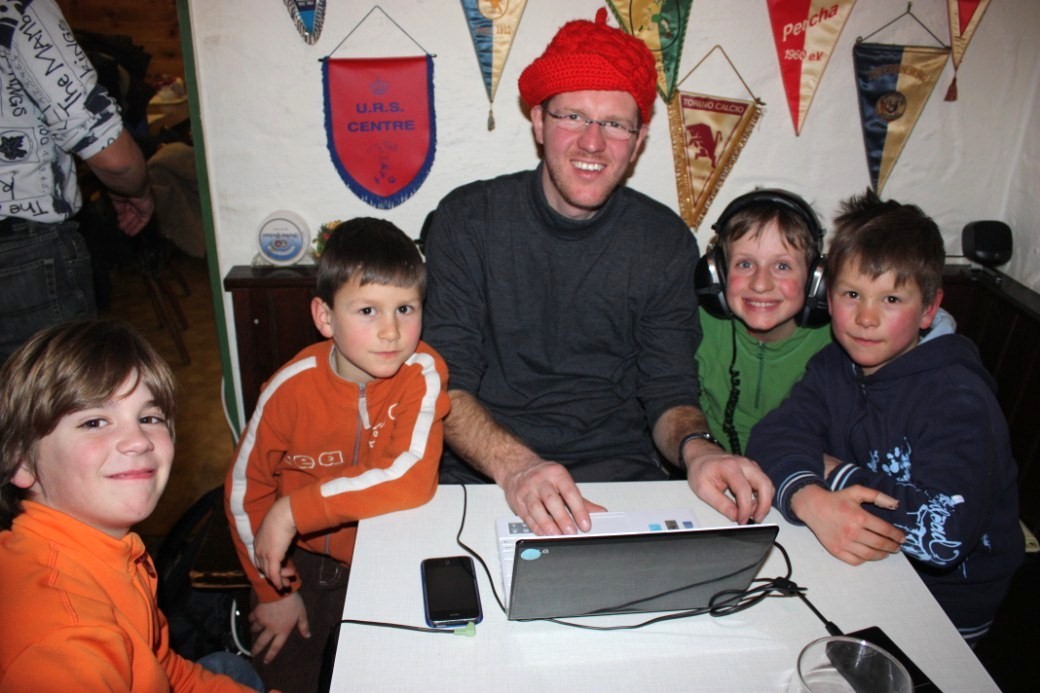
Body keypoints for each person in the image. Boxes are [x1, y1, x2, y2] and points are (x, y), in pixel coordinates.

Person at [422, 8, 773, 538]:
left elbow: (668, 390)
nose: (592, 142)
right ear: (539, 122)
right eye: (573, 116)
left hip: (620, 481)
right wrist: (517, 468)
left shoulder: (663, 242)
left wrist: (699, 451)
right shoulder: (468, 221)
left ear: (638, 138)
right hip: (486, 476)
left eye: (614, 124)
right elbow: (446, 387)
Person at [747, 190, 1024, 644]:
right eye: (852, 294)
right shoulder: (832, 365)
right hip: (858, 569)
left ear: (929, 309)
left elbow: (944, 534)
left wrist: (831, 471)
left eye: (891, 299)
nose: (866, 317)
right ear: (828, 296)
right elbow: (771, 435)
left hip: (945, 606)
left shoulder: (958, 397)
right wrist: (808, 499)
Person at [225, 218, 450, 692]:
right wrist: (272, 590)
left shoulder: (423, 374)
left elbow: (410, 479)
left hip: (389, 554)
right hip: (297, 563)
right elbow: (244, 490)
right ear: (325, 317)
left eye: (405, 308)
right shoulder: (288, 389)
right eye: (368, 310)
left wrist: (294, 510)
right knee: (287, 674)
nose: (391, 331)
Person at [0, 319, 260, 691]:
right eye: (94, 422)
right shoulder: (64, 644)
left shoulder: (112, 551)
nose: (139, 440)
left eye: (149, 418)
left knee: (232, 668)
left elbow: (160, 666)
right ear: (21, 462)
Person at [0, 0, 155, 364]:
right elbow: (113, 157)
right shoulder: (19, 7)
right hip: (21, 249)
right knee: (57, 393)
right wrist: (139, 191)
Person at [694, 188, 833, 456]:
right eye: (745, 264)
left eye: (782, 266)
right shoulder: (697, 328)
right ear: (718, 273)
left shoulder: (836, 342)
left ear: (815, 280)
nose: (760, 284)